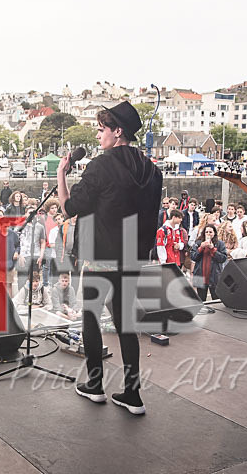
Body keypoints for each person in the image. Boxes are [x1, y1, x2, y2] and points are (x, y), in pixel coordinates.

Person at [57, 101, 162, 415]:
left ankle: (95, 385)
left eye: (102, 129)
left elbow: (69, 209)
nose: (99, 135)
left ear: (118, 132)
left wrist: (62, 174)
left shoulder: (101, 165)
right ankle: (132, 393)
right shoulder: (152, 170)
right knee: (125, 323)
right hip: (133, 256)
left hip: (101, 256)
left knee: (91, 317)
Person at [190, 224, 228, 300]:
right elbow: (193, 257)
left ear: (214, 233)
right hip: (200, 276)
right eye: (206, 232)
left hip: (214, 276)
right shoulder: (198, 243)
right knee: (201, 300)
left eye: (210, 232)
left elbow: (223, 258)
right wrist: (201, 248)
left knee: (216, 299)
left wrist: (213, 249)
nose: (208, 234)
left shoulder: (220, 244)